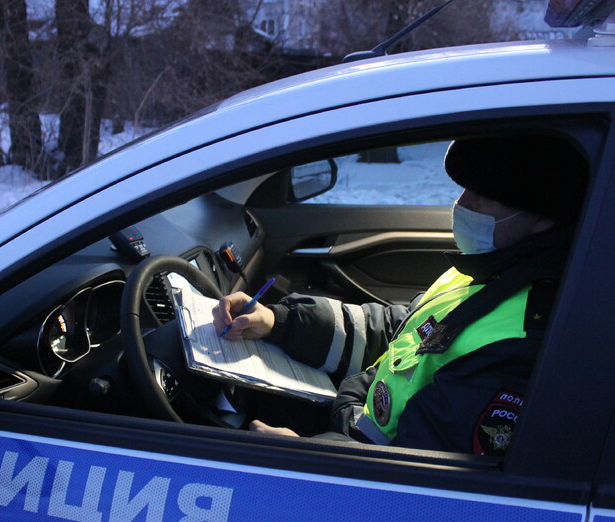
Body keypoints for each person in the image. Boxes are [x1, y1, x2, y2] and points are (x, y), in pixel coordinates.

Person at [212, 133, 589, 455]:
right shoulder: (491, 271)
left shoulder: (521, 346)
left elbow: (415, 475)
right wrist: (280, 322)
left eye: (482, 197)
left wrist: (305, 457)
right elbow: (405, 332)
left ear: (542, 218)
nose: (462, 204)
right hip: (352, 423)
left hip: (360, 468)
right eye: (464, 190)